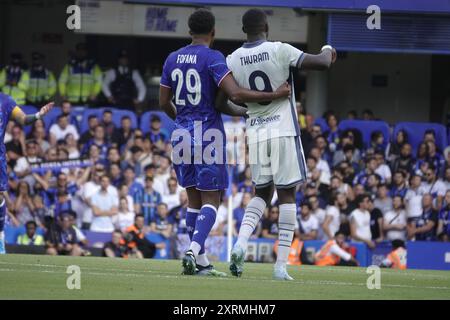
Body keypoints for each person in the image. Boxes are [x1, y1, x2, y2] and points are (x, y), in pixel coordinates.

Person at [159, 9, 291, 277]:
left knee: (192, 200)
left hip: (181, 132)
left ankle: (203, 263)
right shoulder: (213, 57)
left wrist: (183, 119)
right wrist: (274, 94)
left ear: (189, 31)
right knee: (212, 200)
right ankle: (193, 251)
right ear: (214, 32)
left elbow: (163, 103)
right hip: (207, 133)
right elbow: (236, 93)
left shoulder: (172, 59)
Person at [225, 8, 337, 281]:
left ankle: (239, 244)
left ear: (244, 30)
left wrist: (247, 111)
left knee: (262, 193)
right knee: (287, 196)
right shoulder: (279, 49)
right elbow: (322, 63)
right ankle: (280, 267)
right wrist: (328, 46)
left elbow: (223, 102)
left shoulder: (232, 59)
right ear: (266, 26)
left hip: (256, 134)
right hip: (283, 130)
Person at [0, 94, 53, 254]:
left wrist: (38, 115)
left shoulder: (5, 101)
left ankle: (0, 236)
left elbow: (23, 119)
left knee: (0, 196)